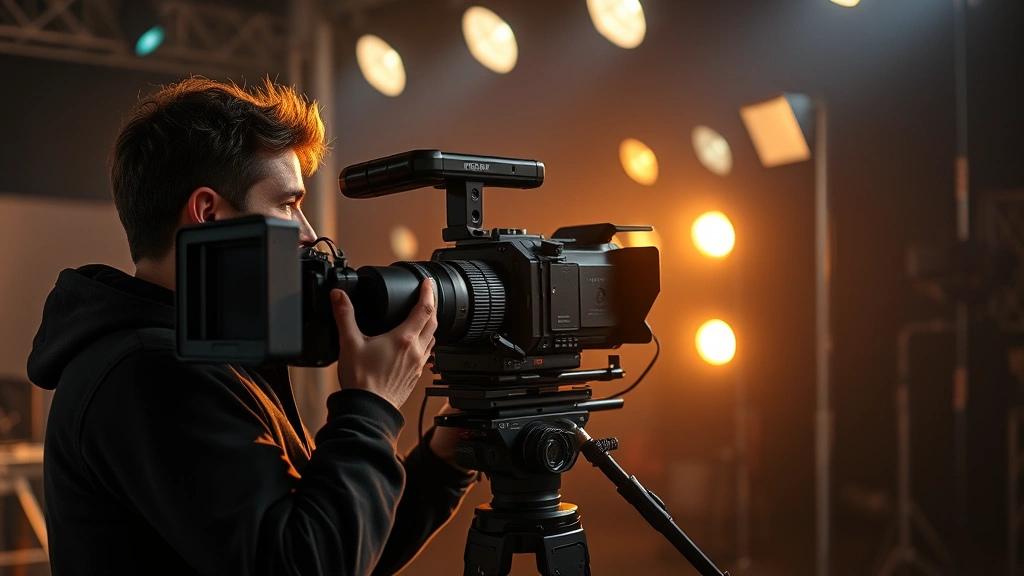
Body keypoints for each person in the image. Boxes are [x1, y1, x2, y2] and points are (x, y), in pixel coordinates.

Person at [26, 77, 476, 576]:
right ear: (209, 213)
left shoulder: (205, 353)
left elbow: (342, 544)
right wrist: (370, 407)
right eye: (287, 204)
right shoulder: (151, 371)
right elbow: (305, 564)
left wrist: (443, 462)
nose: (307, 233)